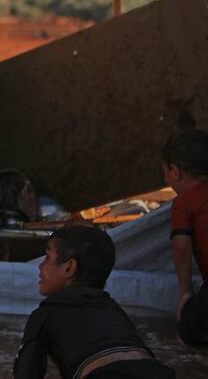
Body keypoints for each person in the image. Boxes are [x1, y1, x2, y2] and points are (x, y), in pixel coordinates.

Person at [14, 225, 175, 379]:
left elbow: (25, 374)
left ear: (69, 268)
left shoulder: (46, 312)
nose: (40, 266)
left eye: (47, 257)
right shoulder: (113, 309)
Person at [163, 129, 208, 347]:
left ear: (174, 172)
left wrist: (185, 294)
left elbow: (181, 246)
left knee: (186, 333)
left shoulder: (184, 203)